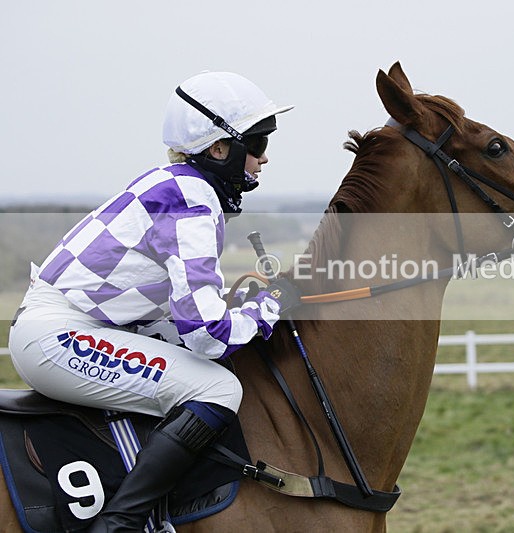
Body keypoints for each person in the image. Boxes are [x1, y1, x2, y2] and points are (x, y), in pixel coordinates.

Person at [8, 71, 301, 532]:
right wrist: (270, 306)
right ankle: (120, 523)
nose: (264, 158)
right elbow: (208, 335)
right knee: (218, 389)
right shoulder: (192, 198)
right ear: (219, 149)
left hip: (73, 326)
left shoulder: (177, 184)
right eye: (258, 143)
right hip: (60, 336)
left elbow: (189, 315)